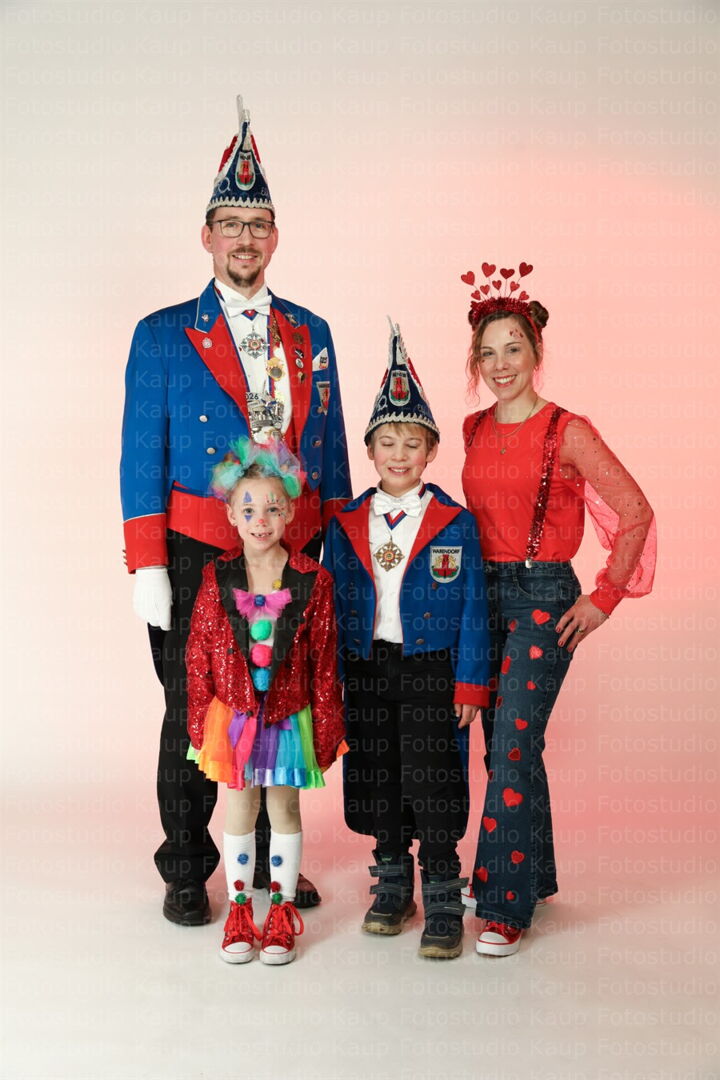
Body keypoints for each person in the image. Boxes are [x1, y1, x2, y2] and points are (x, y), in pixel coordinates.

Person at [120, 94, 350, 925]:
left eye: (257, 224)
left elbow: (328, 450)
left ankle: (271, 867)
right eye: (230, 224)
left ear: (275, 237)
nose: (244, 238)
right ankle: (188, 866)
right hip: (195, 552)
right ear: (207, 236)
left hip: (291, 553)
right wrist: (148, 564)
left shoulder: (311, 331)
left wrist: (336, 550)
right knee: (197, 713)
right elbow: (140, 454)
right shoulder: (162, 334)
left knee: (281, 705)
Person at [459, 263, 656, 956]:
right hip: (481, 596)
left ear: (536, 351)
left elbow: (635, 511)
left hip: (543, 596)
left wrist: (604, 597)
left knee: (513, 743)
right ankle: (531, 874)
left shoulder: (567, 430)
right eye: (488, 352)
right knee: (505, 743)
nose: (501, 364)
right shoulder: (472, 428)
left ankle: (503, 903)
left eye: (513, 348)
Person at [324, 322, 490, 960]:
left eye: (412, 443)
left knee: (433, 775)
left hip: (431, 669)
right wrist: (330, 681)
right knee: (378, 772)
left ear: (431, 451)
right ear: (369, 449)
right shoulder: (344, 522)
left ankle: (443, 888)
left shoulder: (455, 523)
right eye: (387, 442)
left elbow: (475, 606)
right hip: (366, 668)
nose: (399, 454)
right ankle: (392, 879)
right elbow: (330, 605)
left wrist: (470, 683)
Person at [185, 437, 345, 964]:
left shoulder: (313, 580)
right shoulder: (215, 577)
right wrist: (198, 719)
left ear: (291, 511)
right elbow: (198, 652)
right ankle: (238, 912)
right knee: (239, 806)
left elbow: (324, 661)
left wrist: (327, 728)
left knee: (284, 807)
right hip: (232, 715)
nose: (261, 519)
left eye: (273, 508)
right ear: (231, 514)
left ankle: (279, 910)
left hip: (286, 715)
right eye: (249, 509)